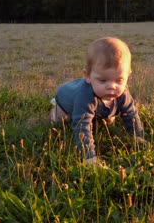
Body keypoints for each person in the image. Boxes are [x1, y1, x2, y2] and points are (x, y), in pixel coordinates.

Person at [50, 37, 145, 165]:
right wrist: (89, 157)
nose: (112, 86)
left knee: (108, 119)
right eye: (103, 80)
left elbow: (131, 115)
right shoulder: (84, 96)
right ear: (88, 76)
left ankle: (104, 113)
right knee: (60, 120)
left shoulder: (123, 95)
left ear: (128, 75)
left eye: (119, 80)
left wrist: (137, 136)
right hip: (66, 99)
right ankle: (56, 112)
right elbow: (81, 126)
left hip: (97, 104)